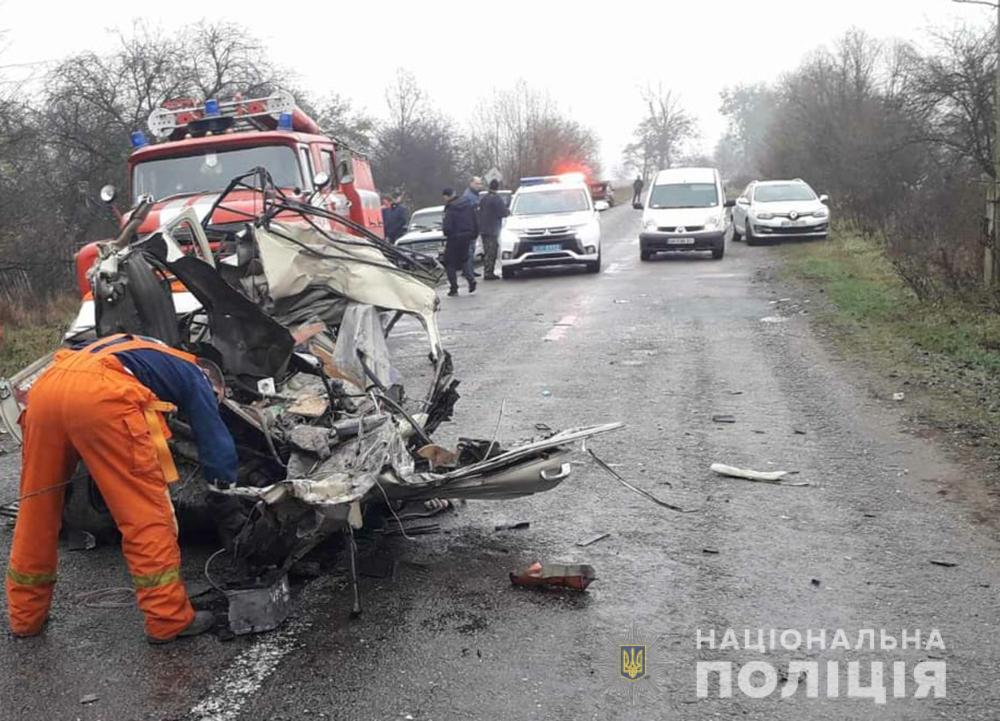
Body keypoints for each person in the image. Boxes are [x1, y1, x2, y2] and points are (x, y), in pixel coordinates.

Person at [6, 333, 238, 645]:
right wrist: (223, 490)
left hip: (47, 391)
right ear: (211, 378)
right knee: (144, 514)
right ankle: (167, 618)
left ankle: (25, 616)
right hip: (103, 397)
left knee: (37, 510)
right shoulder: (194, 373)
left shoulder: (144, 349)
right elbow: (214, 439)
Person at [441, 187, 478, 296]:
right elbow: (475, 219)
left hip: (454, 238)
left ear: (446, 196)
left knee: (449, 262)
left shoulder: (450, 208)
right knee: (464, 259)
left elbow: (447, 226)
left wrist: (446, 232)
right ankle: (471, 280)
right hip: (467, 236)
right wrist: (474, 233)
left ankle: (454, 288)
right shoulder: (468, 204)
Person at [478, 179, 509, 280]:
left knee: (487, 251)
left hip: (483, 229)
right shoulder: (497, 199)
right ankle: (488, 272)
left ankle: (487, 271)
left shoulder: (484, 199)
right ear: (497, 187)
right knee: (492, 251)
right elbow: (504, 213)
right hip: (493, 229)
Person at [461, 177, 484, 279]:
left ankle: (470, 270)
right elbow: (471, 212)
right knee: (469, 251)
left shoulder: (474, 195)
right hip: (469, 227)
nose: (479, 186)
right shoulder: (468, 196)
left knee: (472, 249)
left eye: (480, 184)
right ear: (471, 183)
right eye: (477, 184)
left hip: (474, 226)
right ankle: (468, 271)